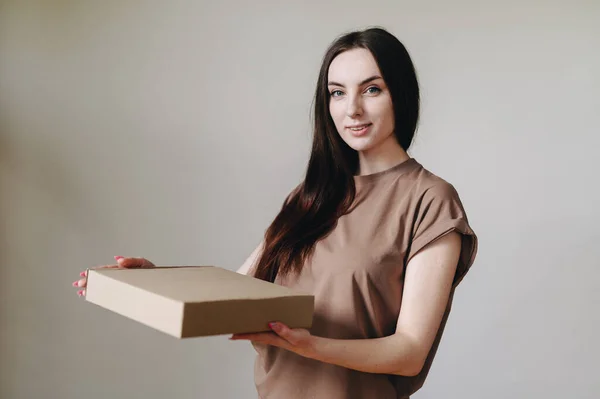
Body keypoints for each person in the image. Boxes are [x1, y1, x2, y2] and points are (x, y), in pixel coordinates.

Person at [73, 27, 478, 399]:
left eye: (371, 89)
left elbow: (409, 353)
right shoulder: (310, 197)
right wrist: (154, 281)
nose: (351, 109)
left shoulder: (430, 200)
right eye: (337, 92)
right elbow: (236, 293)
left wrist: (310, 345)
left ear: (400, 94)